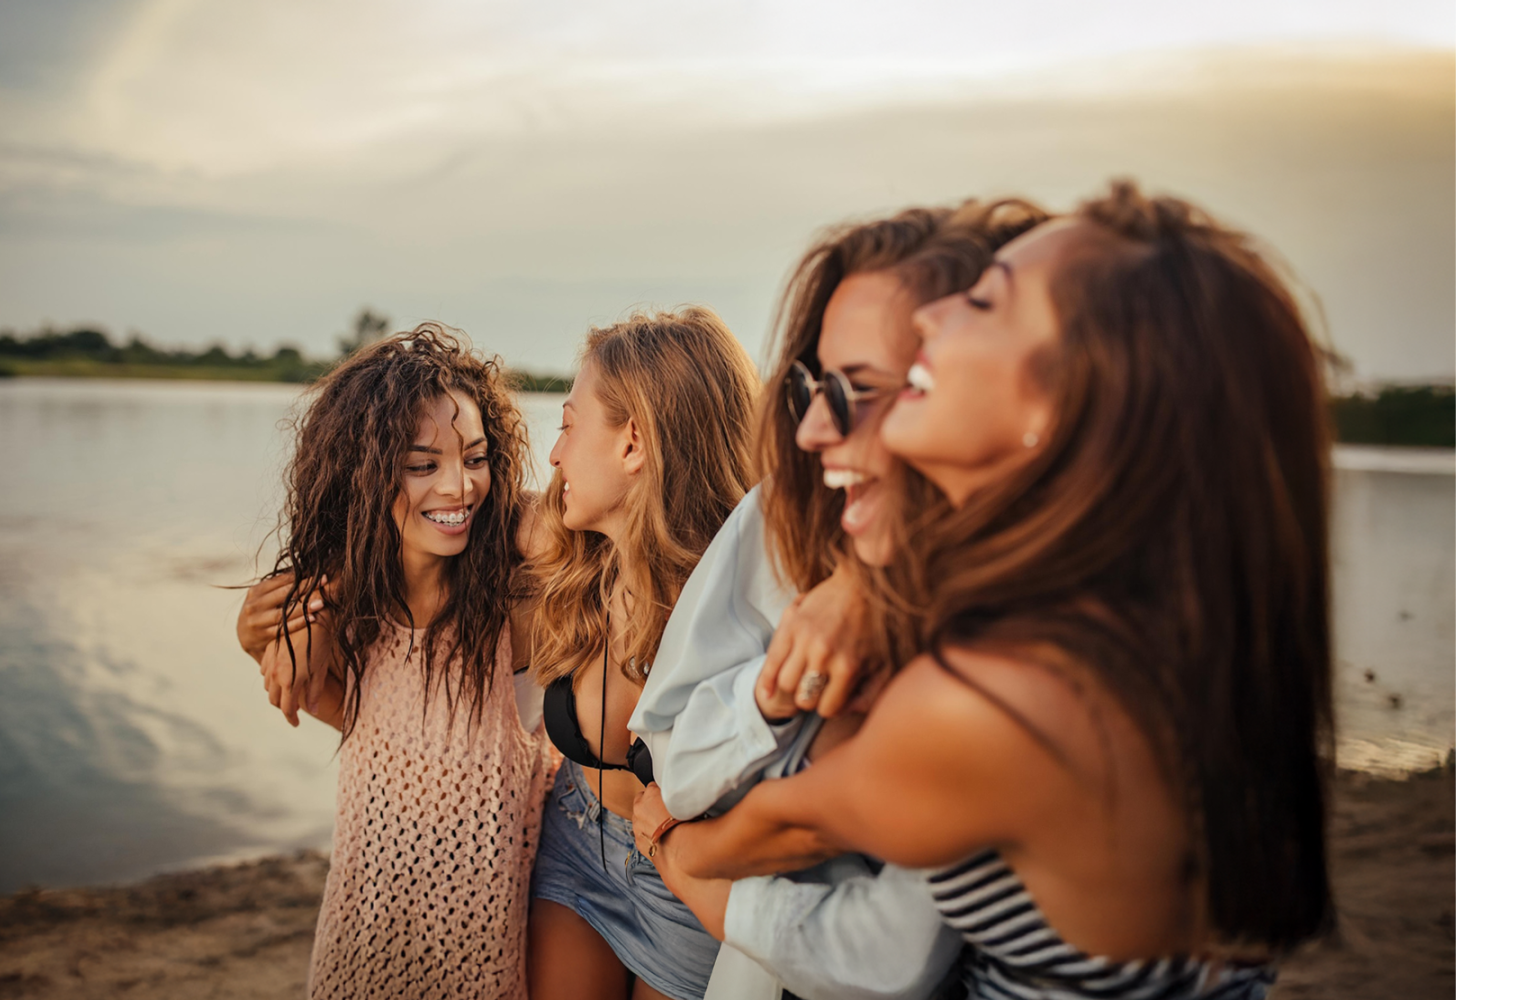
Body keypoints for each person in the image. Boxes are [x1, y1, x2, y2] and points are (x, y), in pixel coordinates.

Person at [647, 181, 1334, 999]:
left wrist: (670, 848)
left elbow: (771, 829)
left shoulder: (1000, 695)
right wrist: (865, 582)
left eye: (984, 302)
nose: (936, 319)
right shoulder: (1153, 627)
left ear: (1067, 398)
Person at [625, 201, 1046, 1000]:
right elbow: (667, 756)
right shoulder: (790, 516)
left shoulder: (1019, 651)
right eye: (816, 383)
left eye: (863, 387)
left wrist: (689, 856)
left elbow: (883, 953)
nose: (815, 427)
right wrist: (774, 694)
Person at [238, 325, 555, 1000]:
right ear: (365, 474)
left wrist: (521, 515)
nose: (459, 487)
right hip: (356, 956)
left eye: (475, 457)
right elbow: (352, 721)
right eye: (423, 465)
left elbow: (584, 542)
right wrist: (257, 637)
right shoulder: (346, 608)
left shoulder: (518, 609)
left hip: (476, 971)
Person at [527, 307, 761, 1000]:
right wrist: (291, 596)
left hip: (691, 888)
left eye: (569, 426)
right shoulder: (572, 550)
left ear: (633, 444)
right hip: (574, 844)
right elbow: (418, 523)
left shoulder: (749, 614)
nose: (555, 454)